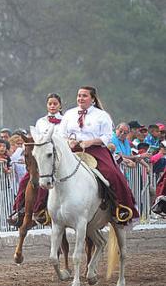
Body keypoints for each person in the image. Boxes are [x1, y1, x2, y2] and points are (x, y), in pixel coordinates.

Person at [57, 86, 138, 226]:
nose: (80, 98)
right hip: (71, 150)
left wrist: (90, 142)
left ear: (92, 99)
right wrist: (68, 141)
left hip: (95, 150)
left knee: (112, 174)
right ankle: (41, 209)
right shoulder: (69, 114)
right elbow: (61, 134)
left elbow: (107, 136)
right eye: (79, 95)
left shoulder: (102, 115)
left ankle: (121, 209)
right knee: (49, 172)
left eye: (84, 96)